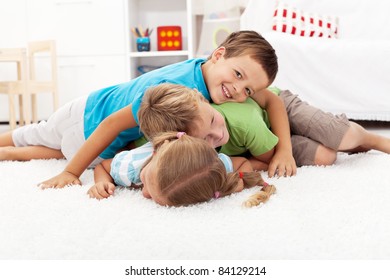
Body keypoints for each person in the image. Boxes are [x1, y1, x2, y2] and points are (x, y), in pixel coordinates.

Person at [1, 30, 294, 187]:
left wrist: (284, 151)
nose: (237, 91)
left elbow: (273, 100)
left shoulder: (207, 73)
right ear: (218, 55)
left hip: (95, 123)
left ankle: (11, 153)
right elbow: (111, 125)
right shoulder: (174, 90)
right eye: (238, 76)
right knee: (34, 138)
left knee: (34, 141)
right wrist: (72, 173)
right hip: (90, 121)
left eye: (247, 91)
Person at [212, 87, 390, 176]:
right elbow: (245, 164)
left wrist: (284, 151)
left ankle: (372, 139)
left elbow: (271, 103)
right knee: (326, 157)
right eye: (207, 139)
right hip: (263, 143)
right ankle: (349, 144)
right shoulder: (201, 150)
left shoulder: (243, 122)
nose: (216, 136)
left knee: (339, 134)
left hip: (279, 107)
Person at [87, 131, 276, 207]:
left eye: (153, 196)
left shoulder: (213, 169)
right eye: (144, 180)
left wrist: (235, 182)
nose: (144, 194)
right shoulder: (128, 167)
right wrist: (102, 181)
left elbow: (242, 163)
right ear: (154, 155)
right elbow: (103, 165)